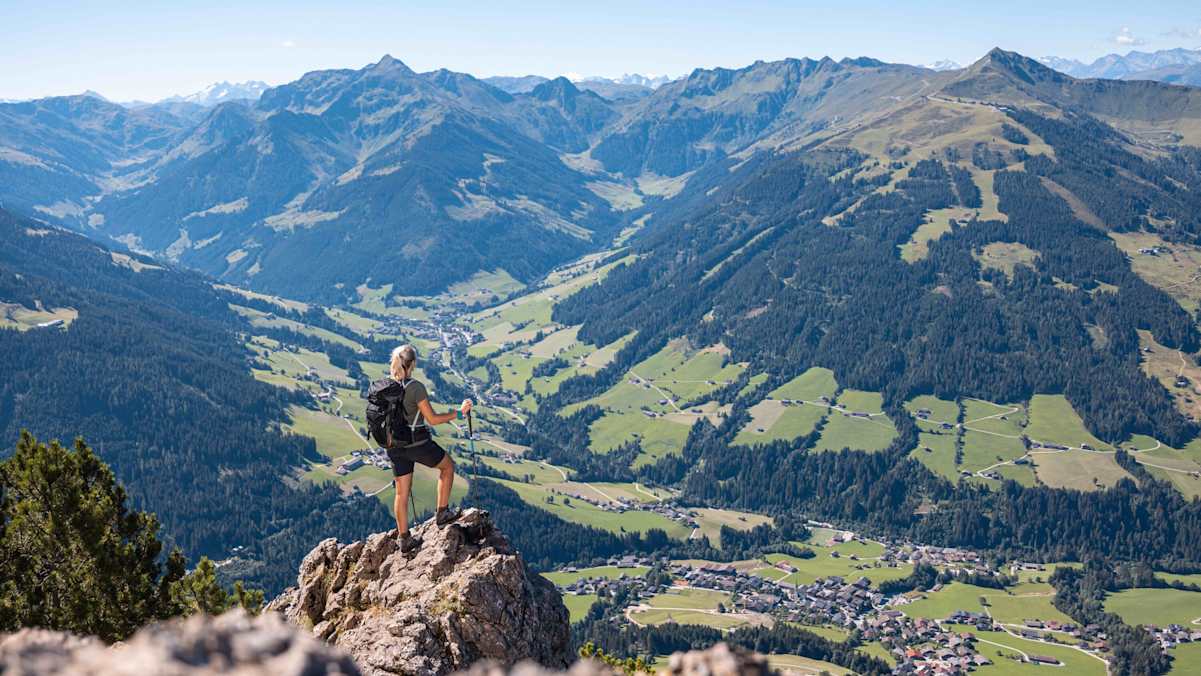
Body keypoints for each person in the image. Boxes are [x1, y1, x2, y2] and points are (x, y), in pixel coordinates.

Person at [386, 344, 471, 553]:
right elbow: (432, 419)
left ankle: (404, 539)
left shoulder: (386, 386)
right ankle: (442, 513)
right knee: (448, 467)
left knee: (401, 493)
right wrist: (459, 413)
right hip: (417, 442)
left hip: (394, 445)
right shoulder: (415, 387)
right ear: (413, 363)